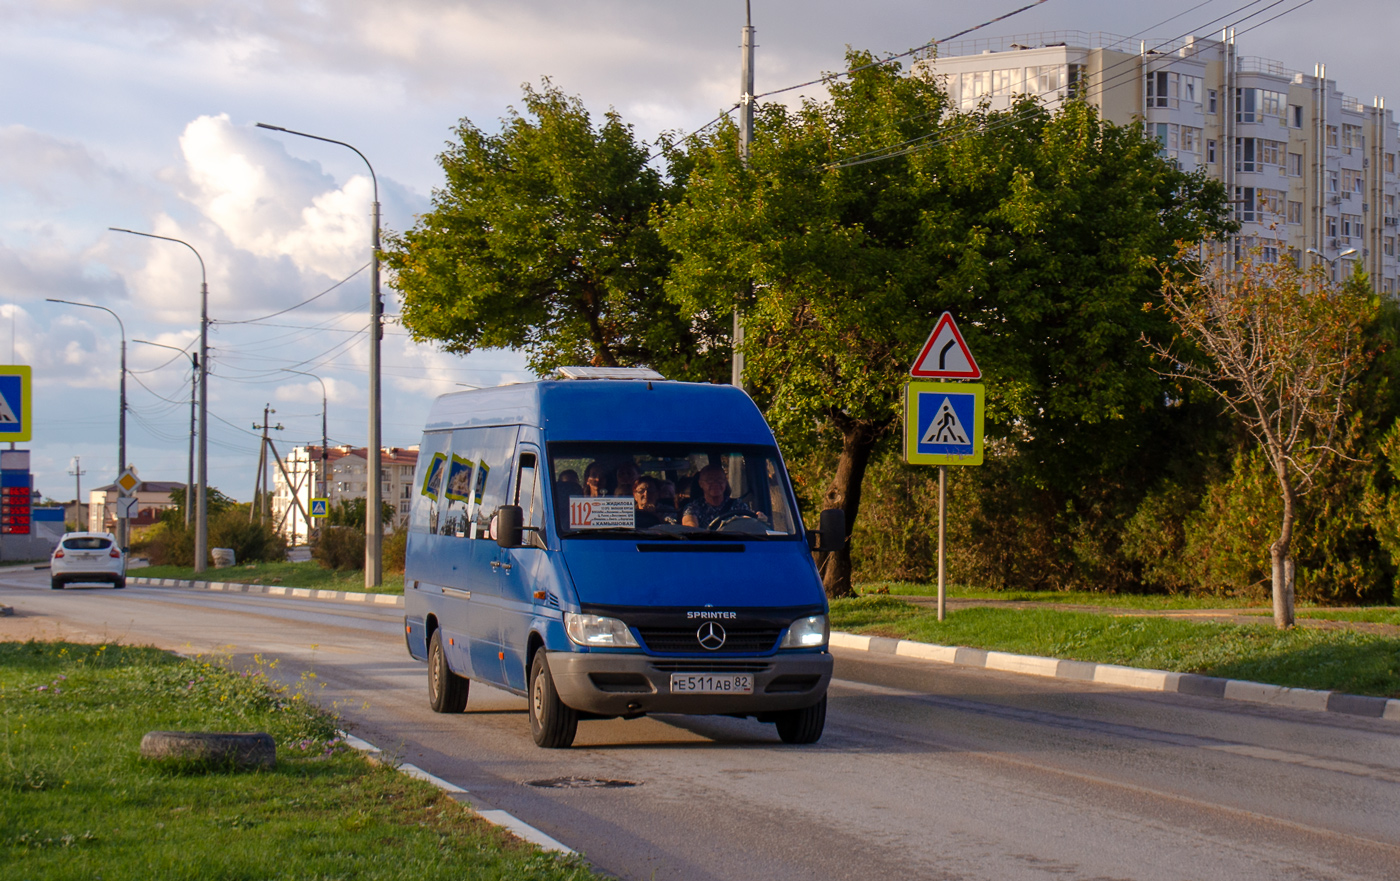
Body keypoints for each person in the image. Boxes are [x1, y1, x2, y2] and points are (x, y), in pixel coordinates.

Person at [682, 463, 754, 528]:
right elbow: (689, 525)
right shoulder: (693, 508)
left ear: (725, 482)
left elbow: (750, 522)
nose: (715, 484)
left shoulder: (738, 505)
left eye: (720, 480)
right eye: (710, 480)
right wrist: (692, 527)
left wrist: (758, 519)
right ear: (701, 484)